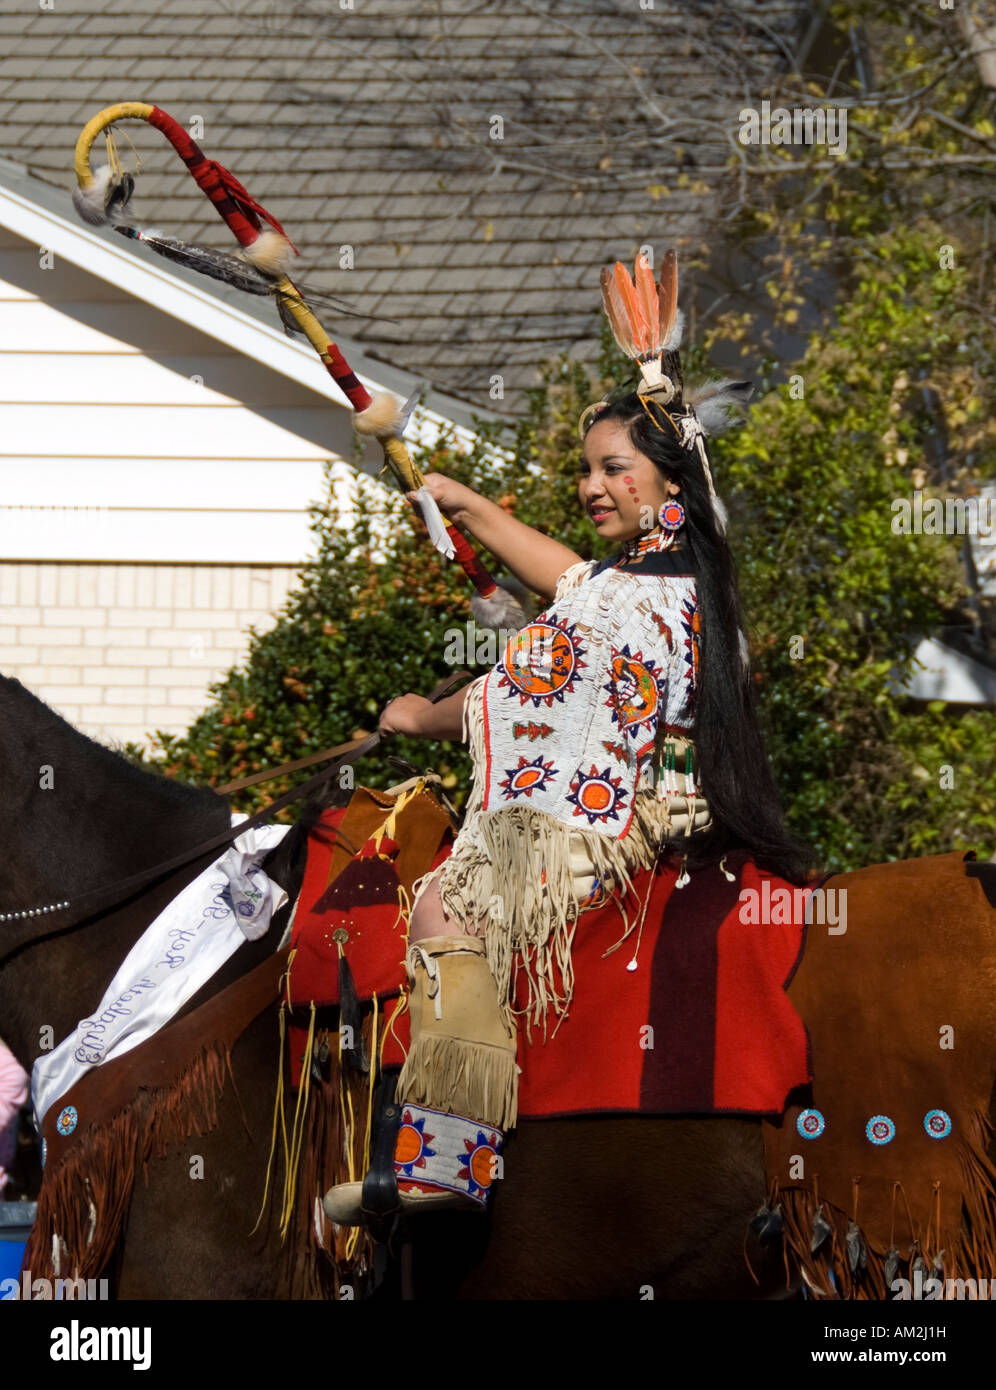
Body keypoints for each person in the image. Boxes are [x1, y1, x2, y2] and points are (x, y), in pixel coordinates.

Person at [324, 253, 810, 1223]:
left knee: (441, 910)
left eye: (611, 469)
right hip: (667, 796)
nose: (591, 485)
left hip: (611, 818)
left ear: (664, 484)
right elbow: (570, 579)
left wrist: (420, 716)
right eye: (585, 468)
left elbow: (529, 684)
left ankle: (447, 1162)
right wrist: (474, 510)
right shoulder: (676, 582)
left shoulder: (631, 602)